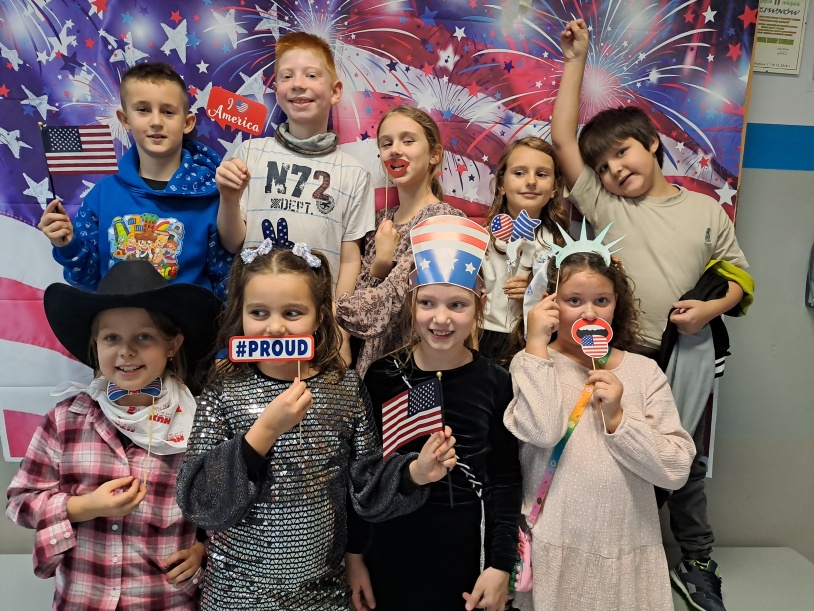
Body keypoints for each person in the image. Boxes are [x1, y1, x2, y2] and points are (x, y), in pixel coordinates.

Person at [551, 20, 752, 611]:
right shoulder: (605, 203)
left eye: (622, 152)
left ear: (653, 144)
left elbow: (740, 276)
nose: (614, 169)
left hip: (686, 357)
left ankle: (696, 559)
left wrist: (710, 309)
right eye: (603, 165)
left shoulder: (707, 210)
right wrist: (577, 60)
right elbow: (563, 138)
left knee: (682, 456)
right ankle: (612, 556)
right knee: (609, 453)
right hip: (624, 356)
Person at [175, 241, 457, 611]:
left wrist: (415, 472)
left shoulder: (345, 388)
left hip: (322, 592)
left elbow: (364, 485)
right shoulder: (222, 390)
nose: (275, 327)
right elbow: (199, 500)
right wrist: (264, 431)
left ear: (319, 317)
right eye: (258, 312)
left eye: (292, 313)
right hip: (235, 594)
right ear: (240, 314)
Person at [6, 260, 223, 609]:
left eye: (144, 336)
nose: (126, 351)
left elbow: (223, 511)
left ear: (172, 345)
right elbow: (20, 502)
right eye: (111, 338)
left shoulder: (200, 424)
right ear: (95, 344)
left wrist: (204, 550)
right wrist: (84, 506)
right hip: (83, 598)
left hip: (163, 599)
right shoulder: (65, 420)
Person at [503, 227, 695, 611]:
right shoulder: (530, 364)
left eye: (601, 301)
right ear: (550, 302)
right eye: (573, 300)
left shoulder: (643, 372)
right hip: (555, 550)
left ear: (616, 304)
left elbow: (675, 470)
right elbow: (542, 431)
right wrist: (536, 344)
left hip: (628, 553)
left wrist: (619, 417)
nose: (589, 312)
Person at [359, 215, 522, 611]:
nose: (441, 318)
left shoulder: (496, 382)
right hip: (391, 550)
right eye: (427, 303)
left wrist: (500, 565)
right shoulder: (382, 376)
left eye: (457, 305)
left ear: (479, 307)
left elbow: (503, 480)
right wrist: (354, 556)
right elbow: (362, 473)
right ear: (411, 304)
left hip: (465, 556)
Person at [38, 62, 233, 301]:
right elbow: (86, 279)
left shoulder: (211, 197)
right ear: (124, 118)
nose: (156, 121)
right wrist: (68, 244)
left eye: (168, 112)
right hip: (120, 321)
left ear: (187, 123)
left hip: (187, 323)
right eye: (143, 110)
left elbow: (224, 279)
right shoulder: (103, 195)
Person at [214, 32, 373, 304]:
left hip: (318, 314)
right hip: (255, 311)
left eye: (311, 75)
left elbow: (349, 260)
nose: (298, 84)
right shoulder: (250, 154)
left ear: (335, 91)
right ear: (277, 91)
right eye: (287, 76)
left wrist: (339, 319)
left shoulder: (355, 174)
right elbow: (231, 243)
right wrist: (228, 198)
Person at [335, 106, 465, 377]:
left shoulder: (444, 222)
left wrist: (330, 312)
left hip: (414, 370)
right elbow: (362, 298)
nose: (395, 150)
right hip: (373, 367)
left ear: (434, 154)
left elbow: (385, 305)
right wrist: (380, 265)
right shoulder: (380, 223)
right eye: (386, 144)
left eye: (408, 141)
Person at [480, 136, 568, 365]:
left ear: (554, 188)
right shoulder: (479, 240)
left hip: (539, 341)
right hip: (483, 338)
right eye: (519, 173)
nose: (530, 181)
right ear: (501, 184)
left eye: (542, 174)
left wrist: (538, 290)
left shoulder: (561, 247)